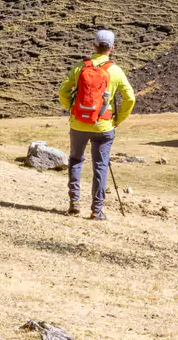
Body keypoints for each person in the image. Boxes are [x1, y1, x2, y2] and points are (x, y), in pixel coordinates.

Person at [56, 29, 135, 220]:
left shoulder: (80, 68)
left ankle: (74, 201)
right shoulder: (115, 71)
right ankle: (96, 210)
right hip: (104, 126)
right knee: (100, 166)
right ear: (112, 48)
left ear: (94, 45)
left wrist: (73, 109)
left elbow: (62, 92)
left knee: (75, 159)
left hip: (78, 124)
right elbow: (129, 98)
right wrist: (117, 119)